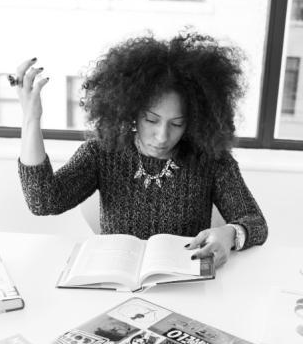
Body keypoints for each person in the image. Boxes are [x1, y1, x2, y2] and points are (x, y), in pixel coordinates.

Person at [15, 30, 267, 268]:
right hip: (116, 282)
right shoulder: (102, 152)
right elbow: (43, 201)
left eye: (177, 124)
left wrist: (230, 233)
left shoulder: (210, 160)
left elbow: (255, 223)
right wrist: (31, 120)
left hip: (183, 283)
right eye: (151, 120)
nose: (162, 136)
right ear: (132, 111)